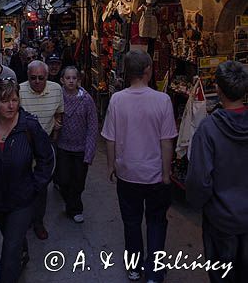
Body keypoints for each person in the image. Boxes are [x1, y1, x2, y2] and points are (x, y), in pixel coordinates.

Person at [0, 78, 54, 283]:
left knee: (9, 250)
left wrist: (35, 186)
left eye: (15, 100)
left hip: (22, 199)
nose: (11, 105)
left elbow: (46, 158)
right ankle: (22, 249)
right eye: (5, 100)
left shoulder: (28, 127)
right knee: (10, 235)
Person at [101, 50, 177, 282]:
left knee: (131, 221)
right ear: (148, 71)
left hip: (127, 174)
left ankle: (134, 268)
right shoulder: (162, 100)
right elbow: (167, 141)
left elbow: (110, 138)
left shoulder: (117, 99)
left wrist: (111, 166)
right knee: (156, 222)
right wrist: (166, 173)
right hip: (155, 175)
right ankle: (154, 272)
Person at [186, 60, 248, 283]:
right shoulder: (209, 129)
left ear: (218, 89)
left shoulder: (209, 129)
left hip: (221, 219)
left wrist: (200, 203)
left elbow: (199, 180)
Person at [19, 60, 64, 240]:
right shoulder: (19, 90)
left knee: (41, 186)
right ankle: (23, 219)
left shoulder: (56, 89)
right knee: (23, 184)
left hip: (44, 146)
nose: (37, 81)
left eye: (41, 78)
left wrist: (54, 137)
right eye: (33, 78)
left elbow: (58, 114)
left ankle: (38, 221)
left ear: (47, 76)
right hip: (23, 144)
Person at [56, 66, 98, 223]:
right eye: (68, 78)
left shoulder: (86, 100)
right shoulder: (58, 96)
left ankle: (75, 208)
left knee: (78, 181)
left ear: (78, 80)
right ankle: (71, 204)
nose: (71, 81)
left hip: (80, 148)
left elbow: (92, 127)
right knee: (64, 180)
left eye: (74, 78)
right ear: (62, 80)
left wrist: (89, 151)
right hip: (63, 147)